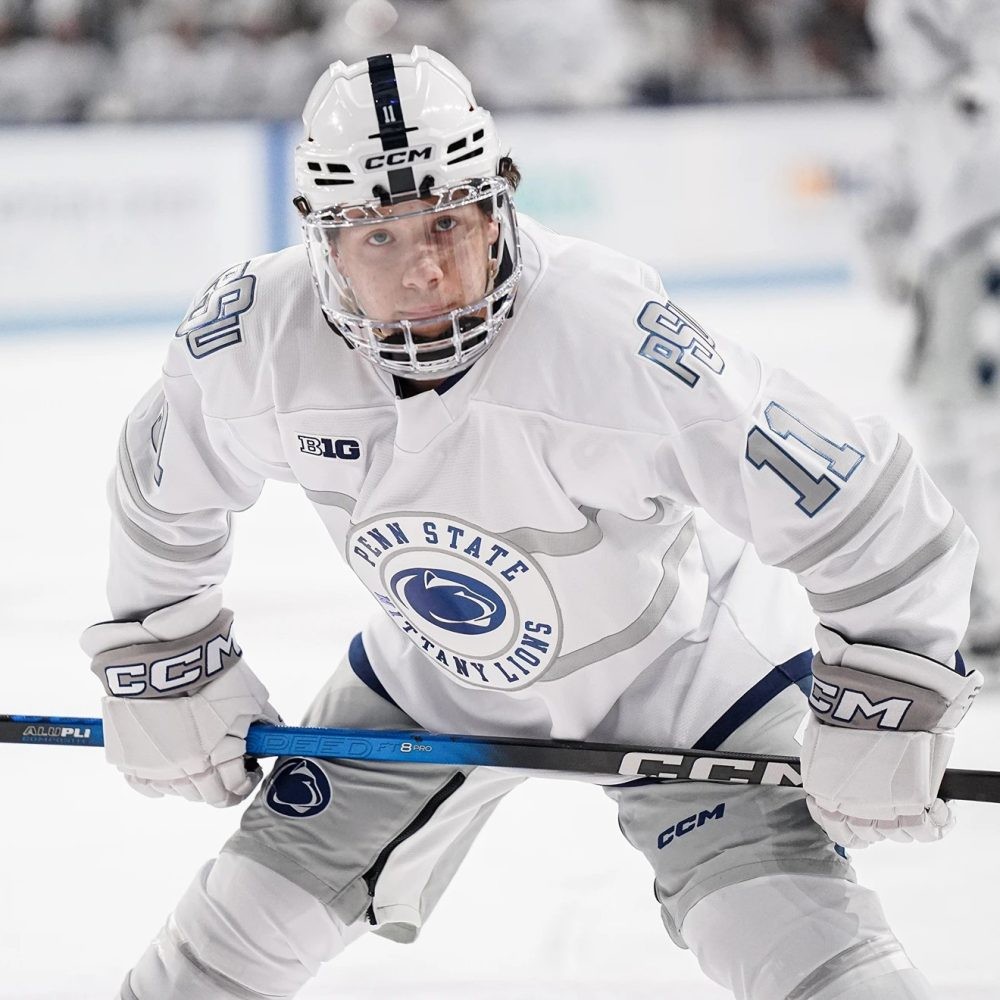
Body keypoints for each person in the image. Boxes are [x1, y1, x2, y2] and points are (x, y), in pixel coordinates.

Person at [81, 46, 983, 1000]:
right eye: (379, 237)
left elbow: (868, 501)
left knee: (817, 967)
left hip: (687, 680)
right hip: (431, 675)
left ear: (497, 206)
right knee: (219, 949)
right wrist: (166, 657)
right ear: (325, 244)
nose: (426, 270)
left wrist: (888, 691)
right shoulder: (257, 337)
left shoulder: (606, 336)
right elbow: (159, 487)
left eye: (448, 221)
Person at [862, 0, 1000, 663]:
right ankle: (975, 597)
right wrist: (886, 244)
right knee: (945, 436)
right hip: (944, 276)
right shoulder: (920, 105)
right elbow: (894, 182)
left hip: (982, 262)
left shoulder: (974, 89)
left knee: (987, 437)